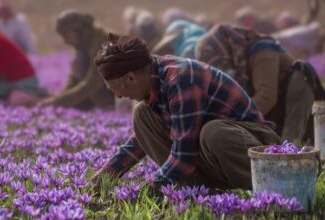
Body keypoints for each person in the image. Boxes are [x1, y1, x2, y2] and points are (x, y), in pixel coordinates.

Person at [92, 34, 280, 190]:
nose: (119, 95)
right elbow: (141, 141)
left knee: (213, 132)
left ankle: (270, 188)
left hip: (255, 149)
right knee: (142, 115)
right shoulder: (153, 78)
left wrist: (149, 189)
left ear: (131, 77)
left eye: (115, 89)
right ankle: (194, 189)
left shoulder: (182, 79)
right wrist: (110, 171)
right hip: (216, 156)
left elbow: (183, 154)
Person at [195, 23, 325, 143]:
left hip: (296, 94)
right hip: (278, 103)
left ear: (225, 48)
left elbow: (267, 96)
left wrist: (235, 118)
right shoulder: (241, 63)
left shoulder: (262, 51)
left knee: (289, 147)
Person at [40, 10, 114, 110]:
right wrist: (59, 99)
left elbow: (93, 82)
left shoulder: (102, 43)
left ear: (79, 31)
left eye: (66, 35)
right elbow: (75, 78)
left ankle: (110, 107)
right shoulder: (84, 44)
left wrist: (58, 101)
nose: (65, 41)